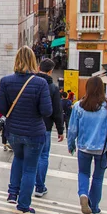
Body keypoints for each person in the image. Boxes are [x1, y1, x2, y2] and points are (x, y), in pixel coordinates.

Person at [0, 46, 52, 214]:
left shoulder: (5, 81)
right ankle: (24, 204)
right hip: (34, 133)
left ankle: (13, 192)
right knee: (30, 168)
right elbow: (47, 111)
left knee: (18, 159)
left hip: (13, 132)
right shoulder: (41, 83)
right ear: (33, 61)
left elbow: (1, 109)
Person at [68, 76, 107, 214]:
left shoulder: (78, 106)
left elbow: (72, 129)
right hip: (102, 149)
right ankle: (95, 206)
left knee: (83, 173)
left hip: (83, 147)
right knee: (98, 178)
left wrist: (71, 144)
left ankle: (83, 194)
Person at [35, 59, 65, 198]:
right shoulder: (52, 88)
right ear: (51, 71)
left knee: (29, 156)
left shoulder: (30, 82)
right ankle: (40, 187)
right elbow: (57, 111)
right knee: (43, 156)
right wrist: (60, 130)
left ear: (39, 67)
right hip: (45, 127)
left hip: (29, 125)